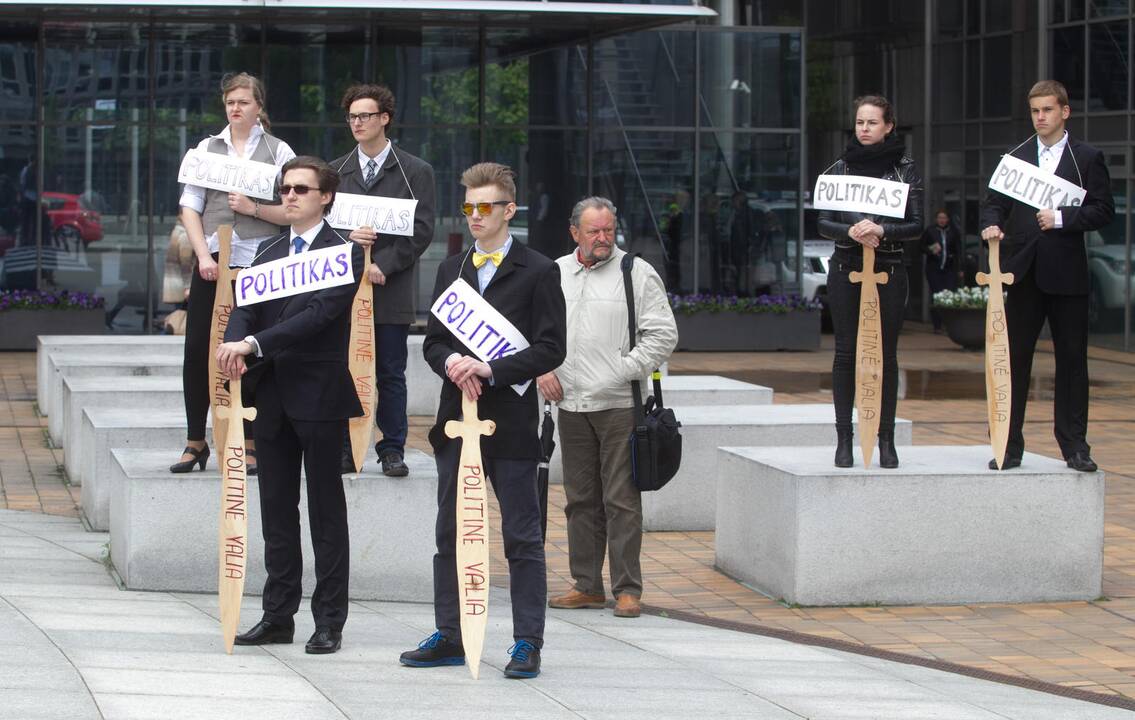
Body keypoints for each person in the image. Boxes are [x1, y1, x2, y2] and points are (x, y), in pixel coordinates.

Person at [399, 162, 566, 679]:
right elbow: (433, 340)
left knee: (521, 535)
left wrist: (490, 368)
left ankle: (526, 643)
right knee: (450, 532)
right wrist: (451, 362)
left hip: (511, 422)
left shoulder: (539, 270)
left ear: (508, 211)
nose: (474, 216)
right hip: (456, 421)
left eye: (484, 207)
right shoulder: (452, 269)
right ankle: (450, 633)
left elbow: (550, 348)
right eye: (468, 207)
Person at [217, 156, 364, 655]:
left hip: (320, 395)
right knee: (276, 511)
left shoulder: (344, 253)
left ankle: (329, 623)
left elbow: (320, 316)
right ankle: (278, 615)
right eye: (285, 189)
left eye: (301, 189)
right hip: (273, 396)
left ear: (326, 196)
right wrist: (234, 341)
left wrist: (253, 345)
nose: (290, 196)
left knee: (326, 514)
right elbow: (245, 307)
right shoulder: (269, 247)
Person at [540, 197, 677, 620]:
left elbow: (662, 335)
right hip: (570, 405)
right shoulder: (556, 272)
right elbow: (535, 330)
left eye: (608, 229)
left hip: (619, 404)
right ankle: (586, 585)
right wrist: (542, 369)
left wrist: (622, 370)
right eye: (594, 231)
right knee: (580, 500)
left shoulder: (636, 272)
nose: (603, 238)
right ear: (574, 233)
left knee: (621, 500)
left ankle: (627, 589)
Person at [980, 80, 1114, 473]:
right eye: (1035, 111)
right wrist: (991, 225)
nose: (1040, 117)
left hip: (1068, 275)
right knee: (1014, 360)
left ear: (1065, 112)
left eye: (1048, 110)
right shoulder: (1016, 156)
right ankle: (1008, 445)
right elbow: (994, 204)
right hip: (1021, 273)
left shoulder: (1087, 157)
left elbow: (1104, 210)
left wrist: (1063, 218)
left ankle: (1074, 446)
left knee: (1072, 362)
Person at [171, 72, 295, 475]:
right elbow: (190, 206)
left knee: (251, 351)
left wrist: (253, 208)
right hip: (213, 263)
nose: (236, 108)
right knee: (198, 352)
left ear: (258, 106)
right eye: (230, 102)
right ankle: (195, 441)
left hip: (261, 263)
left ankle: (250, 440)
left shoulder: (279, 152)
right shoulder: (207, 148)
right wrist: (202, 256)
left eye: (243, 101)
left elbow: (293, 213)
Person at [330, 83, 436, 477]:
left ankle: (392, 448)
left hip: (390, 292)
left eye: (365, 116)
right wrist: (353, 253)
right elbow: (325, 228)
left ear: (384, 118)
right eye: (352, 117)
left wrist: (385, 265)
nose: (357, 123)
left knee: (390, 373)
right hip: (345, 293)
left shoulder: (415, 171)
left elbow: (421, 231)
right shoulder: (336, 172)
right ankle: (346, 446)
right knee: (344, 370)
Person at [817, 94, 924, 469]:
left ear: (888, 126)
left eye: (872, 123)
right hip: (846, 266)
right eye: (860, 122)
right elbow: (822, 221)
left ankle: (886, 440)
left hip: (889, 267)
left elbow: (916, 225)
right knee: (846, 353)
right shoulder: (839, 168)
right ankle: (844, 439)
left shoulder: (905, 170)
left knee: (886, 355)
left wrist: (881, 228)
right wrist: (851, 229)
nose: (864, 129)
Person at [921, 209, 964, 332]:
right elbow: (921, 247)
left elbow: (958, 250)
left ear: (948, 219)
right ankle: (937, 325)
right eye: (940, 218)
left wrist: (960, 268)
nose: (942, 220)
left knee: (949, 294)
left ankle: (948, 324)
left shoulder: (953, 232)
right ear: (936, 219)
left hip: (949, 267)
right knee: (937, 295)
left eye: (944, 218)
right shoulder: (930, 231)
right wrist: (931, 250)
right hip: (934, 268)